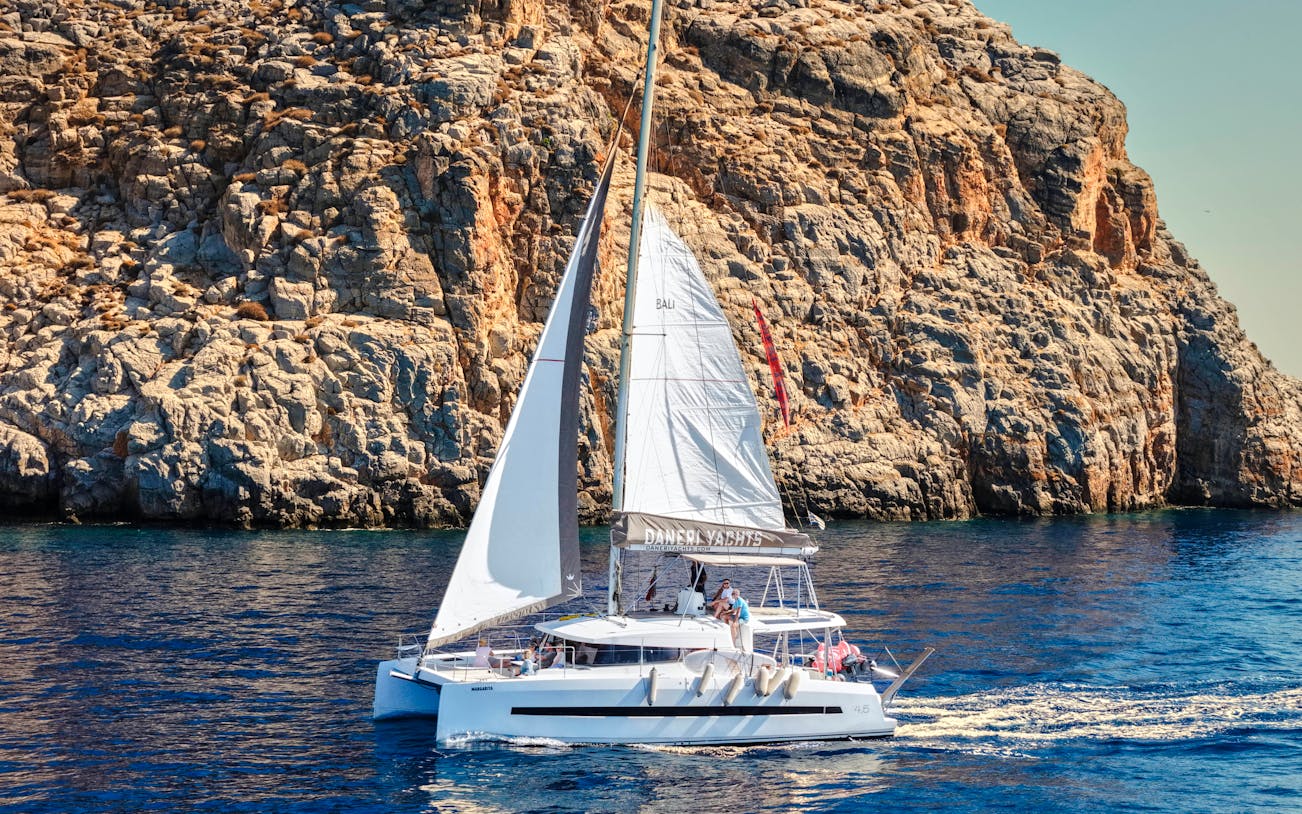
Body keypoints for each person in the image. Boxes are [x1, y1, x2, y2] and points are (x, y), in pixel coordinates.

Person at [729, 588, 753, 653]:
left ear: (736, 595)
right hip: (739, 617)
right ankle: (731, 635)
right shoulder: (736, 601)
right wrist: (724, 613)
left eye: (733, 594)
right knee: (725, 617)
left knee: (733, 626)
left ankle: (734, 643)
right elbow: (733, 610)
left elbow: (738, 612)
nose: (732, 595)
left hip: (744, 619)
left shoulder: (739, 601)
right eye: (732, 594)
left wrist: (735, 622)